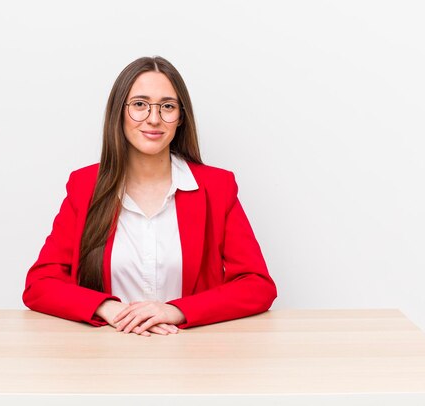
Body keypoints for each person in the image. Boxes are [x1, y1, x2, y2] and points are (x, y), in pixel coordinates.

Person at [23, 56, 276, 337]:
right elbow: (39, 285)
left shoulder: (215, 187)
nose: (154, 119)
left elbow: (258, 285)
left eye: (167, 106)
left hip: (191, 354)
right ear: (119, 112)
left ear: (180, 117)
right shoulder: (85, 186)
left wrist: (176, 310)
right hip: (106, 355)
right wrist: (107, 308)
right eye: (140, 105)